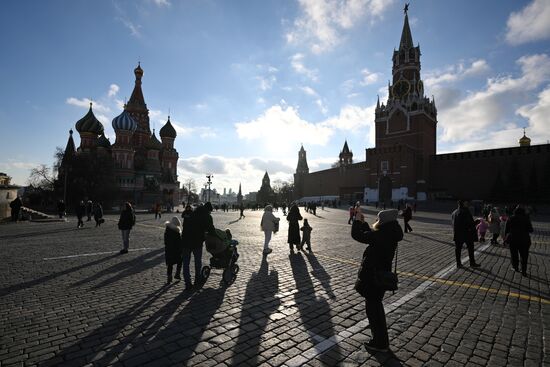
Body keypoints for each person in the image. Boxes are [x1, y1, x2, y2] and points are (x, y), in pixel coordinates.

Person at [351, 209, 403, 353]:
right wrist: (363, 223)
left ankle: (380, 343)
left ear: (384, 222)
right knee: (376, 309)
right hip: (380, 276)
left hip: (373, 277)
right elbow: (372, 235)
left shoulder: (382, 235)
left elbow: (358, 235)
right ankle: (381, 341)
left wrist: (356, 221)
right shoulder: (390, 233)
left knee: (374, 312)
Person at [182, 202, 215, 290]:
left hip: (185, 241)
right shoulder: (206, 216)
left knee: (186, 263)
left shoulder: (192, 213)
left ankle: (188, 283)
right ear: (208, 210)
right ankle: (197, 279)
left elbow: (184, 225)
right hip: (197, 242)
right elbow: (211, 229)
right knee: (197, 262)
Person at [505, 206, 533, 275]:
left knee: (514, 254)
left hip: (513, 239)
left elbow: (506, 230)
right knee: (524, 256)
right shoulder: (526, 219)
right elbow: (531, 230)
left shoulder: (511, 218)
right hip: (524, 240)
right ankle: (524, 270)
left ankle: (515, 267)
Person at [451, 200, 480, 268]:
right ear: (462, 204)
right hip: (467, 234)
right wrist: (477, 222)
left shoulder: (454, 212)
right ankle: (472, 263)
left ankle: (458, 263)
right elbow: (468, 224)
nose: (467, 203)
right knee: (470, 248)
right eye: (466, 202)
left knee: (458, 249)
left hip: (457, 234)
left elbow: (453, 223)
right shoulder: (465, 212)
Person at [164, 216, 184, 283]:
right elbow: (179, 242)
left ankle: (169, 277)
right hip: (176, 250)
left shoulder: (167, 229)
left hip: (169, 249)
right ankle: (177, 274)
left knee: (170, 264)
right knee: (180, 261)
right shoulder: (177, 232)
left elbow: (165, 240)